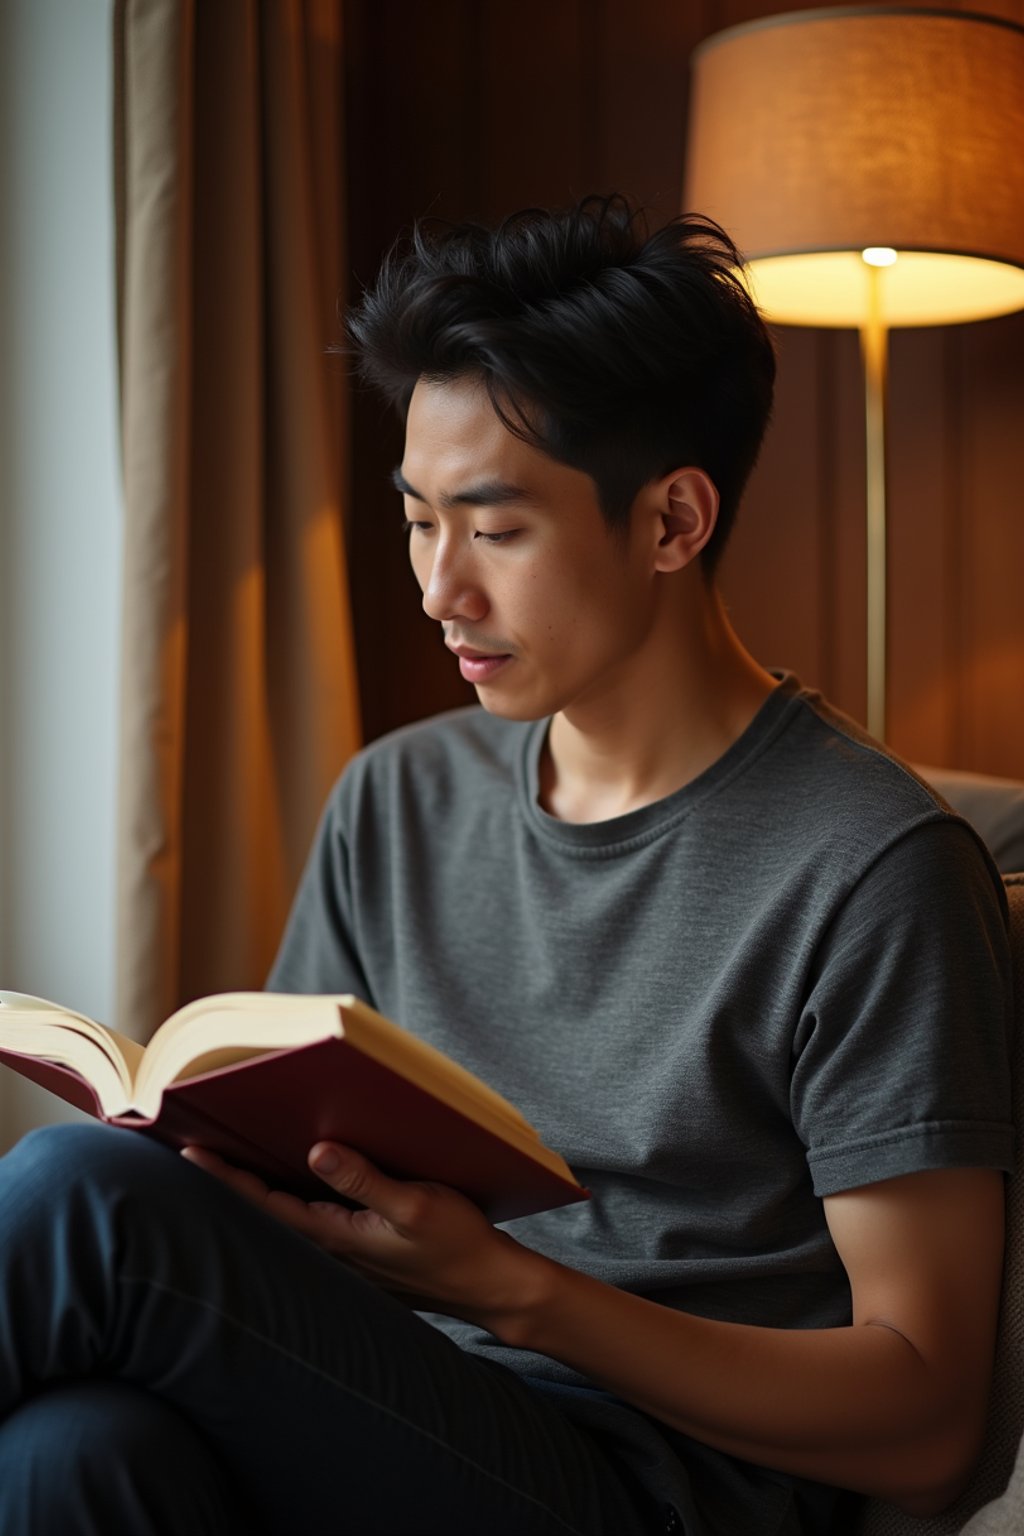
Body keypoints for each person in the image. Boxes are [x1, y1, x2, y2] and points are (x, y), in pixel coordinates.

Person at [0, 194, 1013, 1536]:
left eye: (495, 529)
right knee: (76, 1452)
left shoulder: (873, 867)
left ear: (671, 522)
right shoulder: (398, 800)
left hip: (660, 1488)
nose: (438, 589)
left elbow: (927, 1424)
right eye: (419, 520)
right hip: (407, 1406)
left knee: (83, 1200)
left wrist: (507, 1289)